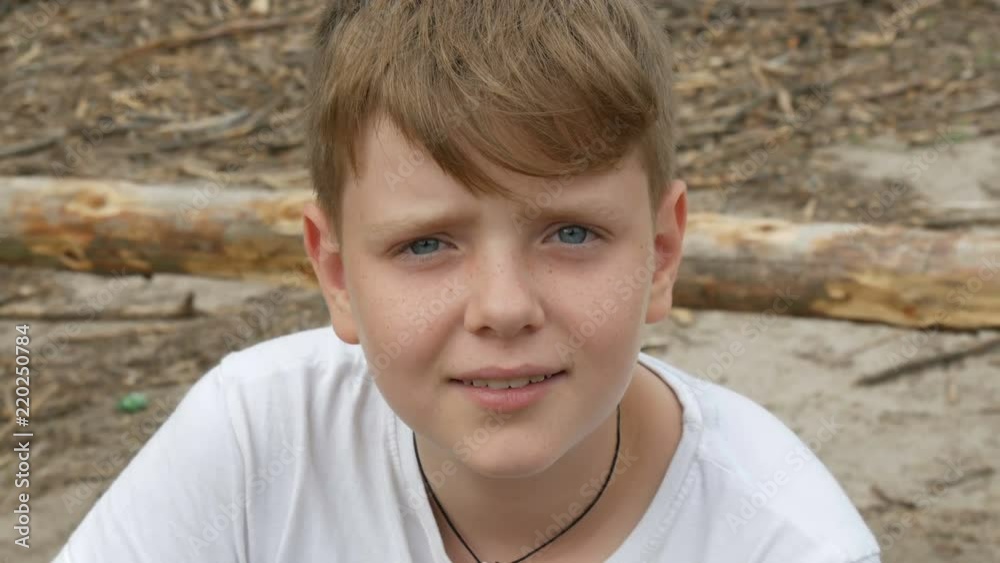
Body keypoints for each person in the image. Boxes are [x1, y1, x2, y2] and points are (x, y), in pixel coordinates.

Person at [54, 1, 882, 561]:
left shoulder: (781, 540)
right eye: (425, 245)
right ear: (335, 272)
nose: (504, 307)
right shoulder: (253, 441)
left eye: (571, 233)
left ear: (661, 253)